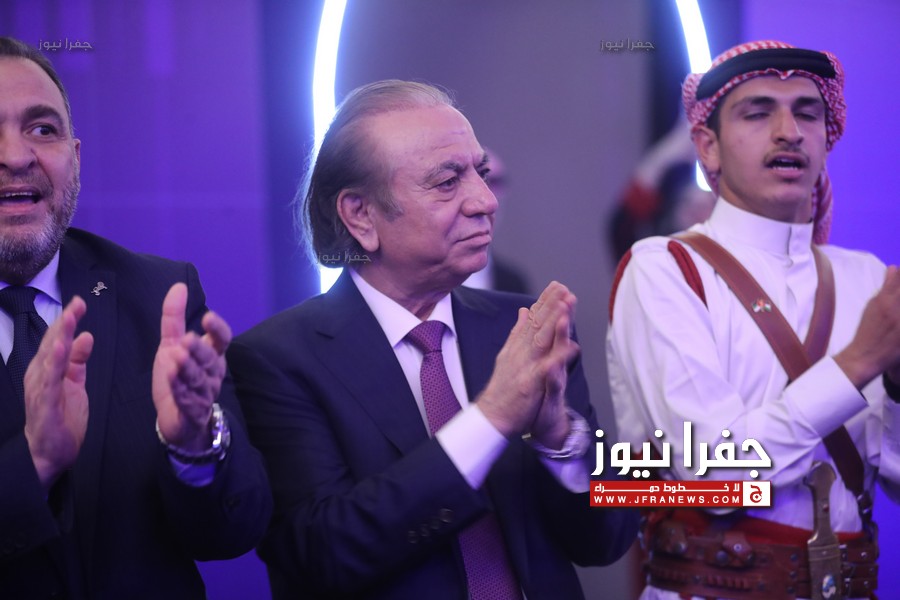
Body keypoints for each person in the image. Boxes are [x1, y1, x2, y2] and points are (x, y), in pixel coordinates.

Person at [229, 79, 637, 599]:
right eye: (447, 182)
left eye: (481, 174)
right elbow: (323, 554)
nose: (485, 201)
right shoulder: (279, 359)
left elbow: (605, 541)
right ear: (360, 214)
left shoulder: (521, 329)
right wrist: (491, 419)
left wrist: (559, 441)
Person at [607, 40, 900, 600]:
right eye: (758, 113)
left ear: (826, 138)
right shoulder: (665, 269)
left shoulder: (867, 276)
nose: (789, 132)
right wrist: (860, 362)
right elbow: (716, 476)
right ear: (707, 147)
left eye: (807, 113)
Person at [0, 37, 272, 599]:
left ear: (76, 157)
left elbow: (237, 529)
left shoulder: (159, 295)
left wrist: (193, 446)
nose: (17, 156)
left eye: (43, 129)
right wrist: (36, 462)